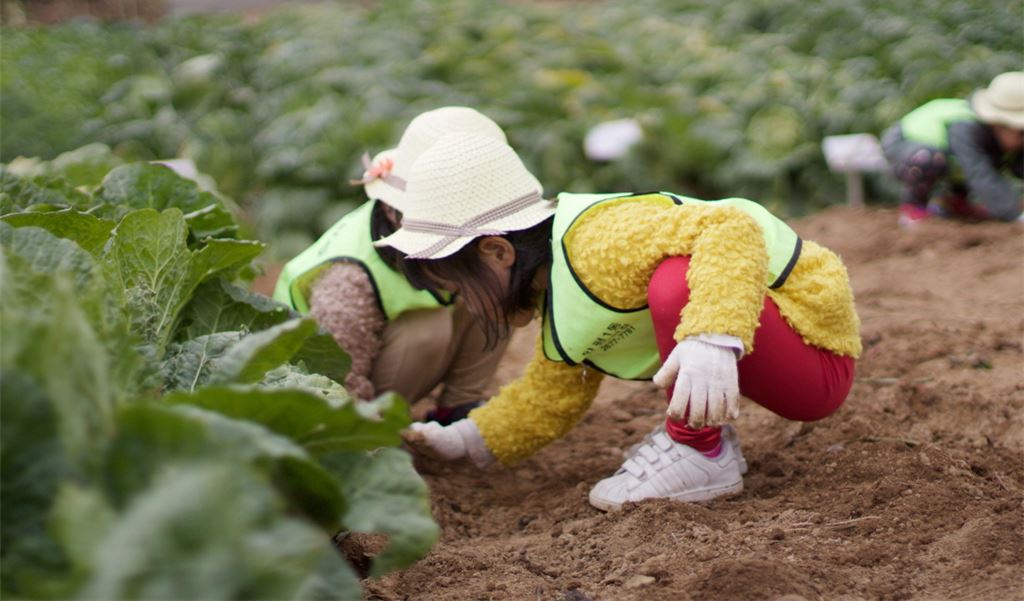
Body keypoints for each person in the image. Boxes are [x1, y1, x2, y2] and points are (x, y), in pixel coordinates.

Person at [383, 132, 862, 511]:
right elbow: (549, 396)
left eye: (460, 288)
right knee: (673, 286)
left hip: (814, 343)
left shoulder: (599, 242)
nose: (467, 306)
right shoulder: (557, 287)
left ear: (497, 252)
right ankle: (706, 445)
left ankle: (698, 450)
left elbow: (729, 226)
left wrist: (712, 336)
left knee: (676, 281)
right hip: (784, 352)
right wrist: (461, 440)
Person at [273, 107, 512, 424]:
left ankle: (457, 413)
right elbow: (336, 380)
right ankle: (384, 423)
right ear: (391, 210)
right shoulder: (348, 278)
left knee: (493, 290)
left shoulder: (453, 250)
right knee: (428, 328)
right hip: (323, 386)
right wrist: (367, 436)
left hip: (390, 356)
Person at [881, 71, 1024, 227]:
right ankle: (914, 207)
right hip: (905, 144)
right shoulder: (966, 128)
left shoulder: (998, 138)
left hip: (951, 156)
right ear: (999, 124)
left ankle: (955, 203)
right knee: (933, 159)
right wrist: (1013, 215)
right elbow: (979, 173)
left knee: (978, 159)